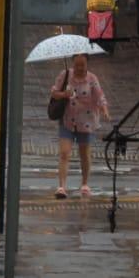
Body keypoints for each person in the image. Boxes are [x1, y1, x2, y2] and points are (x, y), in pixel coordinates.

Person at [51, 52, 109, 199]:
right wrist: (65, 94)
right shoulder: (65, 75)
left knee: (84, 154)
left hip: (87, 122)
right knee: (64, 153)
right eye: (77, 64)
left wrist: (104, 110)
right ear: (73, 64)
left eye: (82, 64)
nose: (79, 67)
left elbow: (100, 96)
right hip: (67, 121)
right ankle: (62, 186)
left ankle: (84, 183)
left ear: (87, 64)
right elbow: (54, 93)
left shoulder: (92, 79)